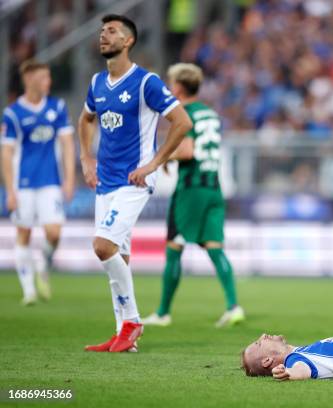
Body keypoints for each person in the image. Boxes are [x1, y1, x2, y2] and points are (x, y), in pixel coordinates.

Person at [78, 14, 192, 352]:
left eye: (111, 31)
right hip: (106, 180)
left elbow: (181, 122)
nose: (103, 36)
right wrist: (86, 158)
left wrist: (154, 163)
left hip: (135, 179)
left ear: (128, 41)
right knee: (117, 256)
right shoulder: (98, 82)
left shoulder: (146, 82)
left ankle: (132, 320)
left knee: (102, 246)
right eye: (101, 31)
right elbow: (86, 118)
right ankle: (123, 334)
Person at [142, 63, 244, 328]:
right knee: (214, 247)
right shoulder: (210, 113)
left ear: (177, 87)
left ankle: (163, 313)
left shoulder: (184, 112)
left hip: (191, 190)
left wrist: (162, 156)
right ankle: (233, 307)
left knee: (174, 247)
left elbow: (186, 151)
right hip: (213, 187)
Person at [1, 60, 75, 305]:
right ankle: (29, 291)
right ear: (29, 80)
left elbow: (66, 143)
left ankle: (43, 263)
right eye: (44, 77)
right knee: (24, 232)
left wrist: (70, 179)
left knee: (54, 232)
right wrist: (10, 190)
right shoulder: (13, 114)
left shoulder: (57, 107)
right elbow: (7, 153)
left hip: (50, 181)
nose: (49, 82)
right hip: (23, 184)